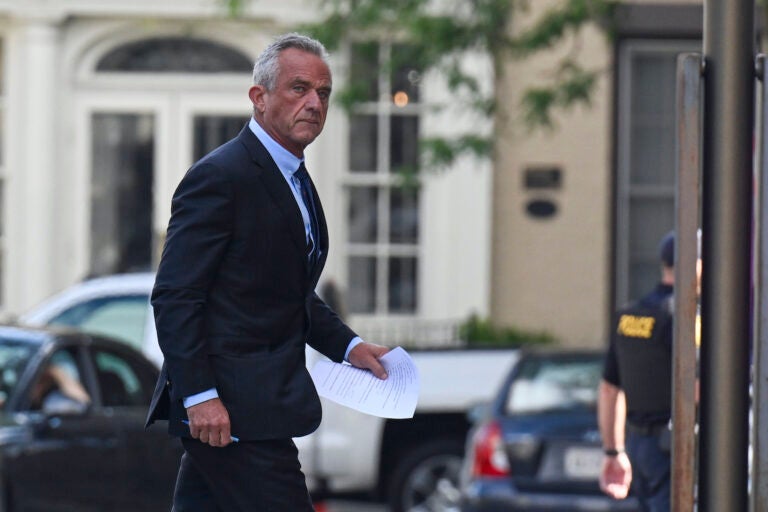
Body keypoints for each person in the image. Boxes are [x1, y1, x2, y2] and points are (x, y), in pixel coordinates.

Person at [145, 33, 390, 511]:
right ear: (259, 98)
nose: (314, 103)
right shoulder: (221, 176)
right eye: (299, 89)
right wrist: (200, 396)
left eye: (323, 93)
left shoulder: (293, 176)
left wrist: (349, 347)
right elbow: (175, 296)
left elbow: (287, 291)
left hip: (256, 409)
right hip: (232, 413)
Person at [597, 231, 676, 512]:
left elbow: (609, 389)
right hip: (675, 447)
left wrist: (613, 450)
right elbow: (699, 387)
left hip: (639, 446)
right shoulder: (683, 317)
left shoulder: (630, 316)